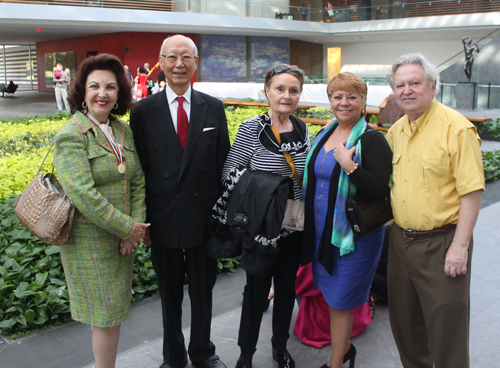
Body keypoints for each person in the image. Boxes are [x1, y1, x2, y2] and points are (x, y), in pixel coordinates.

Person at [130, 35, 230, 368]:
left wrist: (222, 216)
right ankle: (173, 357)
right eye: (172, 57)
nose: (179, 64)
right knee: (169, 295)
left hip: (204, 218)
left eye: (186, 57)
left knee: (203, 293)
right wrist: (141, 220)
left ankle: (203, 352)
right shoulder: (143, 111)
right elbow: (140, 169)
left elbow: (222, 164)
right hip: (163, 217)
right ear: (161, 62)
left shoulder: (212, 107)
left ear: (196, 63)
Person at [385, 53, 485, 368]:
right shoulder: (396, 130)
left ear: (433, 85)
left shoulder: (456, 128)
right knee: (405, 325)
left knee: (446, 332)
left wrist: (460, 246)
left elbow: (472, 190)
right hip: (401, 243)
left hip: (442, 243)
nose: (407, 90)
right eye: (400, 85)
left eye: (415, 82)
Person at [53, 53, 149, 368]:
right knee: (106, 314)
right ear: (82, 92)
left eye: (110, 87)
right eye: (95, 86)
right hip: (89, 242)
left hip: (122, 240)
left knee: (114, 312)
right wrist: (128, 228)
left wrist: (133, 230)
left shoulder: (122, 130)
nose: (102, 93)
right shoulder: (71, 133)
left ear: (119, 93)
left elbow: (136, 181)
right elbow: (82, 192)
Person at [301, 72, 392, 368]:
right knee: (329, 297)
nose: (344, 102)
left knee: (340, 301)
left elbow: (380, 188)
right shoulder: (324, 134)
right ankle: (344, 351)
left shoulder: (372, 139)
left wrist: (350, 166)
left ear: (364, 101)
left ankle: (336, 362)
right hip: (319, 232)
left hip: (353, 240)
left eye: (352, 96)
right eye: (337, 96)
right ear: (330, 101)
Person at [222, 64, 310, 368]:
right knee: (256, 291)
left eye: (293, 90)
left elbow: (304, 177)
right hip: (262, 225)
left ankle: (279, 347)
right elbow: (230, 173)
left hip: (294, 222)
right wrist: (270, 190)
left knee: (286, 288)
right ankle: (246, 354)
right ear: (267, 91)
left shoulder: (301, 127)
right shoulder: (252, 128)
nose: (286, 95)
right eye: (280, 88)